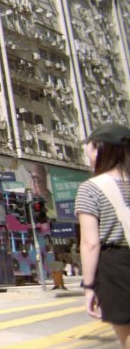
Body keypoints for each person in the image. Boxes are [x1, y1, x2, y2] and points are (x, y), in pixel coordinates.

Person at [75, 123, 130, 348]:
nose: (87, 157)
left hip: (118, 268)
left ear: (99, 149)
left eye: (88, 150)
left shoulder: (91, 188)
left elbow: (90, 243)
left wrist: (89, 287)